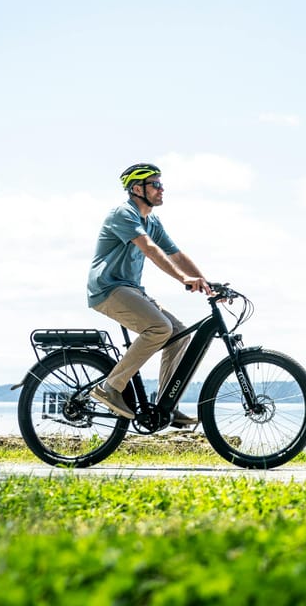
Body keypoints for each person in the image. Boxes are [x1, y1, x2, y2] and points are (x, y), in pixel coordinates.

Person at [87, 162, 212, 426]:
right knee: (159, 328)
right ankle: (110, 387)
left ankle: (167, 403)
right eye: (155, 184)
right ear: (136, 188)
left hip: (131, 289)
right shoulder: (124, 214)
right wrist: (183, 278)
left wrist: (205, 282)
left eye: (161, 184)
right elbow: (150, 249)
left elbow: (175, 253)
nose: (161, 189)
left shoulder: (152, 220)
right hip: (108, 288)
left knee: (179, 334)